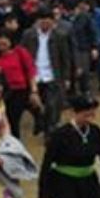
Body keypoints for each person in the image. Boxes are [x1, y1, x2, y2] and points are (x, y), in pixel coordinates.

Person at [22, 9, 71, 137]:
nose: (45, 22)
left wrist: (66, 77)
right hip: (35, 76)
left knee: (52, 104)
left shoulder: (60, 36)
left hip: (52, 75)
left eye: (48, 19)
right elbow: (22, 54)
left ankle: (50, 131)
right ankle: (41, 123)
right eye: (42, 19)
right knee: (36, 105)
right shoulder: (28, 35)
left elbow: (65, 57)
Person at [0, 30, 37, 140]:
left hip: (19, 92)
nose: (1, 41)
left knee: (13, 121)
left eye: (4, 38)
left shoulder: (20, 52)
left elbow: (30, 71)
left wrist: (34, 91)